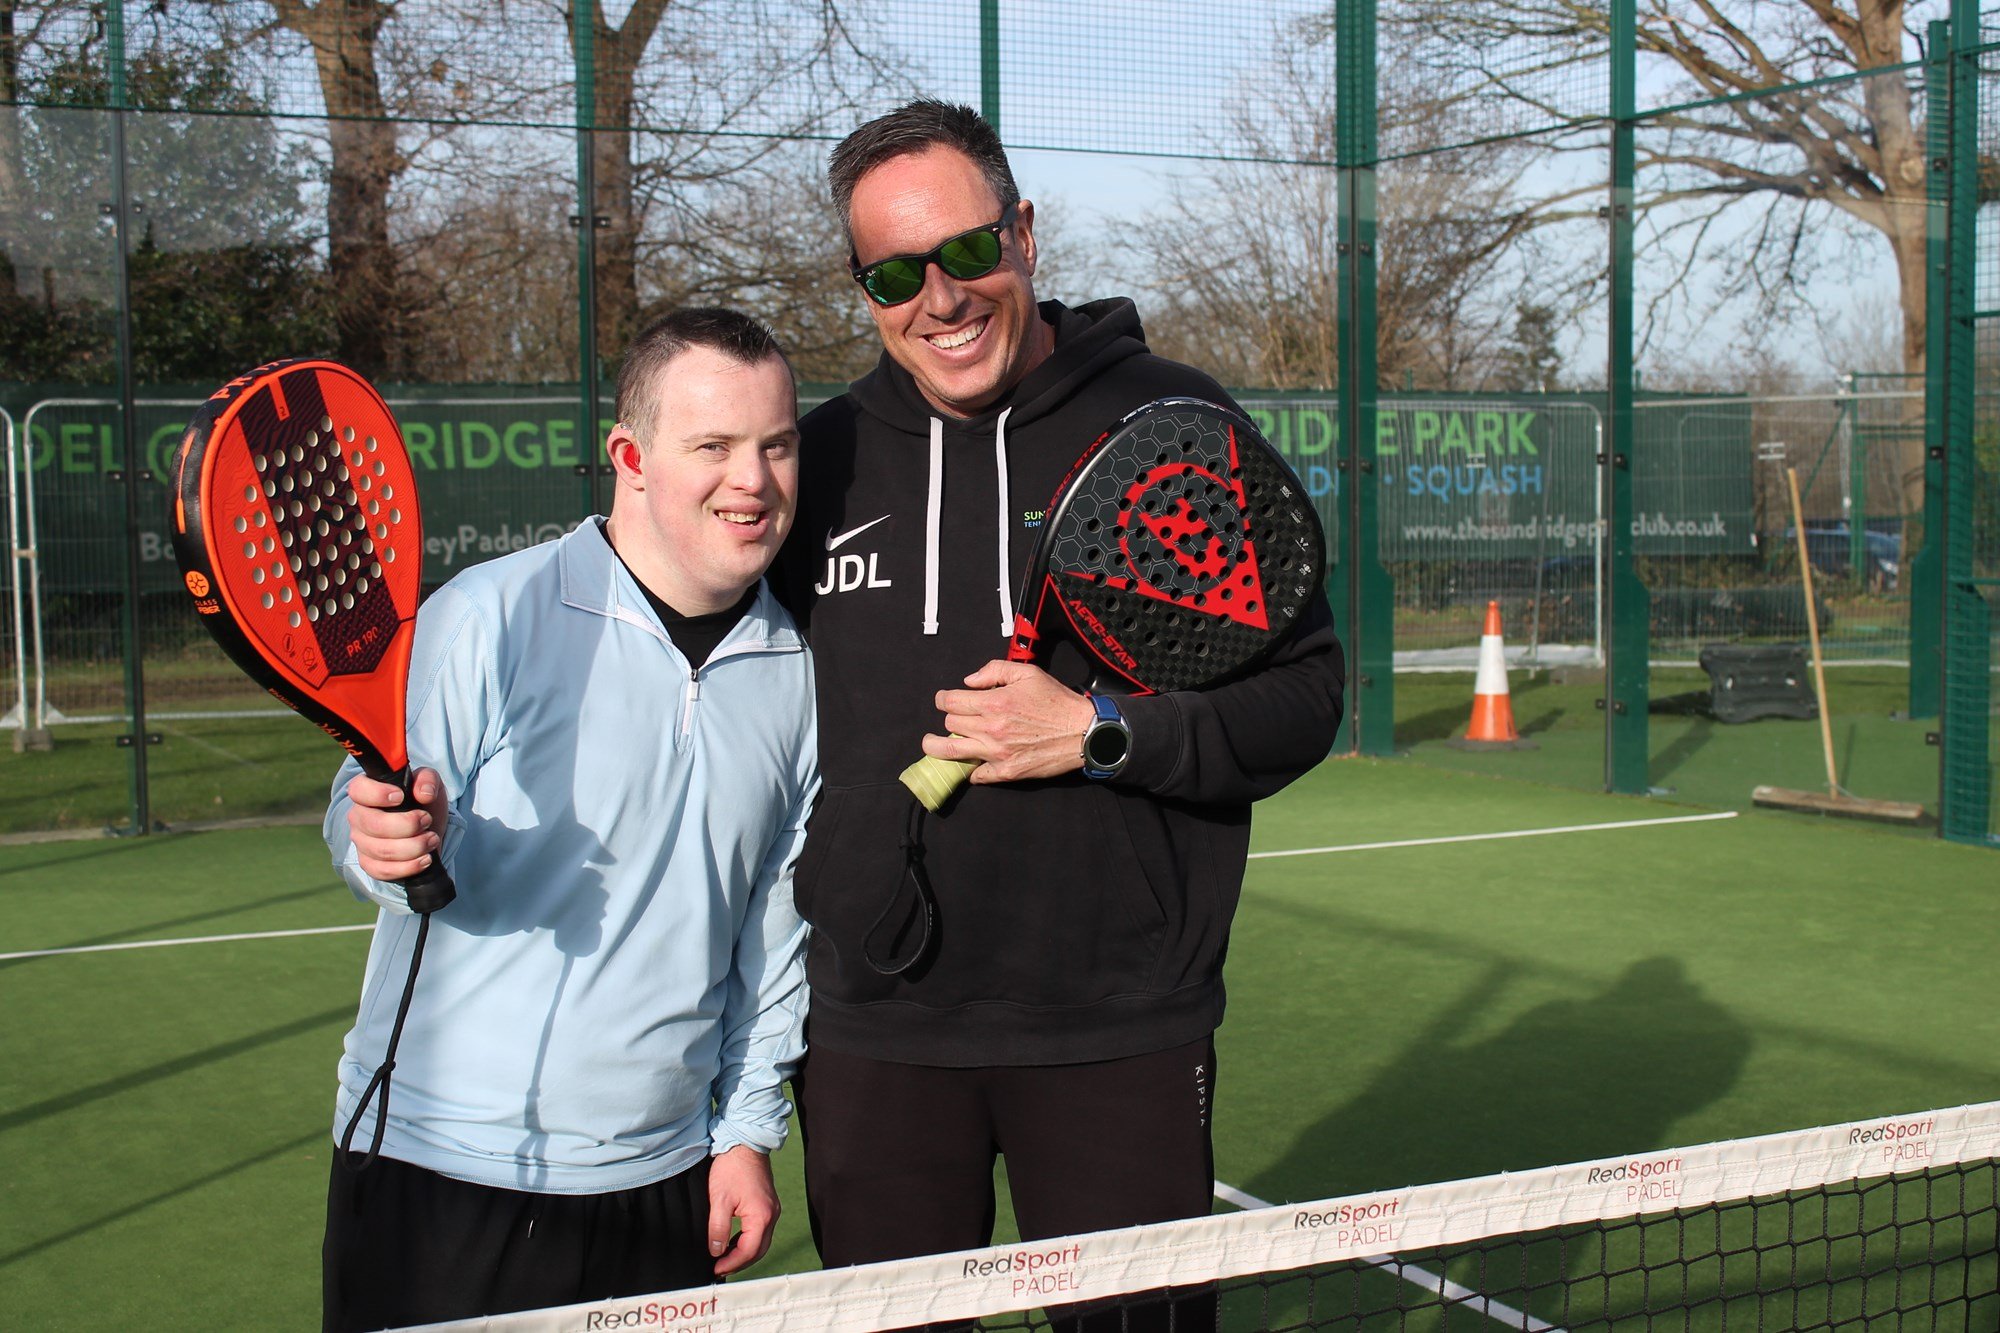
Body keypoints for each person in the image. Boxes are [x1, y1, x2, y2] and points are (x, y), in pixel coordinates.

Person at [773, 100, 1345, 1315]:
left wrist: (1098, 731)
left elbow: (1304, 696)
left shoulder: (1171, 425)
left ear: (1022, 233)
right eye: (892, 273)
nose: (939, 298)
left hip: (1118, 1030)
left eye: (967, 252)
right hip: (871, 1034)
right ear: (859, 286)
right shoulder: (813, 464)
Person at [320, 308, 817, 1331]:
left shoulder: (798, 670)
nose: (752, 480)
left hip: (664, 1184)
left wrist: (744, 1135)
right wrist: (372, 838)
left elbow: (774, 931)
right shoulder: (491, 613)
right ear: (630, 457)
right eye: (713, 446)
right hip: (441, 1172)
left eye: (775, 444)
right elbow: (365, 807)